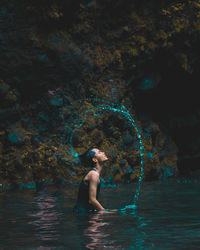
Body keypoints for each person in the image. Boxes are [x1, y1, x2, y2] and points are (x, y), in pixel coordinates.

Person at [73, 147, 108, 214]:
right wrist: (104, 211)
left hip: (86, 211)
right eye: (99, 152)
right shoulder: (94, 174)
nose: (103, 153)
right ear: (94, 159)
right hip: (82, 214)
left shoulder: (94, 173)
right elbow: (92, 200)